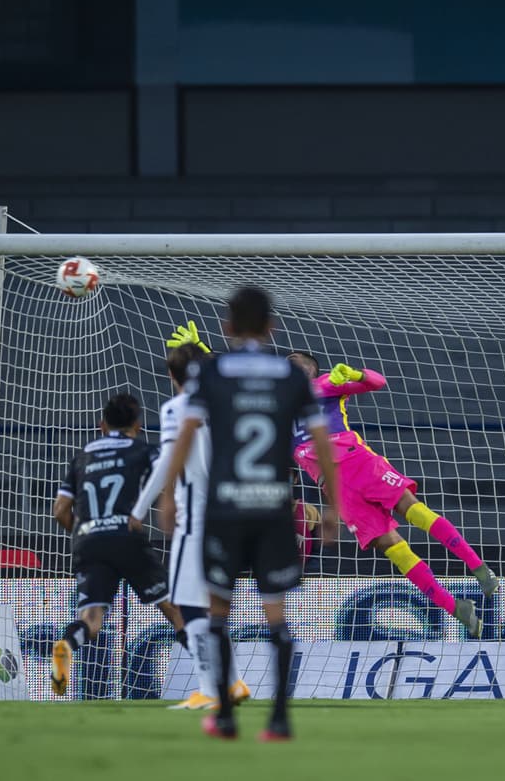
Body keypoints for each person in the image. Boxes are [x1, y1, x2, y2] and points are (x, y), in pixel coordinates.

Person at [160, 288, 340, 741]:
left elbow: (185, 433)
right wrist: (333, 505)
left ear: (227, 327)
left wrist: (167, 494)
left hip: (225, 507)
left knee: (218, 610)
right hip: (274, 507)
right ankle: (279, 719)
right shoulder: (290, 375)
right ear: (271, 327)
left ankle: (224, 718)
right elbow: (321, 444)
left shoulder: (211, 371)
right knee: (275, 613)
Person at [288, 352, 495, 637]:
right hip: (334, 487)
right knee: (392, 547)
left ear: (311, 370)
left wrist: (355, 374)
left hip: (357, 461)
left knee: (413, 510)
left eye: (297, 361)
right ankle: (455, 608)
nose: (290, 363)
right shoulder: (274, 409)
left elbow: (377, 382)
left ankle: (480, 568)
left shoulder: (324, 384)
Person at [131, 325, 249, 711]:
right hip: (229, 514)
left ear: (170, 376)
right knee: (209, 603)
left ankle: (208, 688)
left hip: (194, 516)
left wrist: (139, 508)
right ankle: (231, 684)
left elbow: (168, 460)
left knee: (187, 604)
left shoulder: (176, 408)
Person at [50, 393, 184, 697]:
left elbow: (59, 509)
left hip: (89, 541)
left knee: (91, 619)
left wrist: (85, 532)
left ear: (102, 425)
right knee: (174, 610)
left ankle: (66, 645)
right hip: (127, 537)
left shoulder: (82, 456)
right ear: (137, 425)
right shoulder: (144, 451)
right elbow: (168, 480)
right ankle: (219, 683)